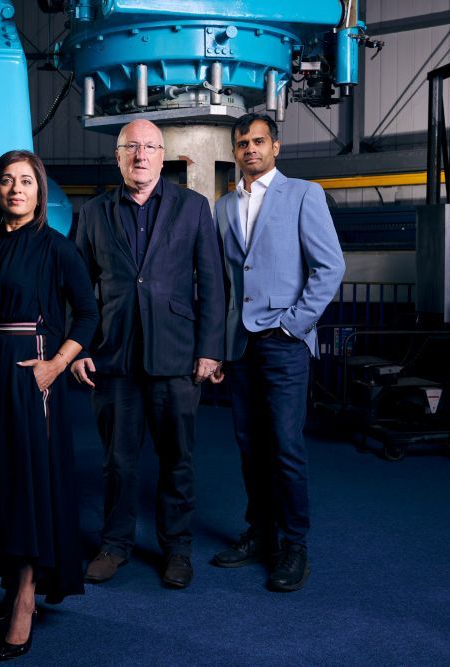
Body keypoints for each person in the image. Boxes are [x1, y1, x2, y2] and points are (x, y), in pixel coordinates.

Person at [0, 150, 98, 661]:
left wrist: (55, 366)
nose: (16, 189)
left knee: (28, 486)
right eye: (7, 181)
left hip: (29, 377)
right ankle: (11, 585)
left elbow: (87, 314)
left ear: (40, 191)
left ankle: (27, 595)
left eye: (26, 181)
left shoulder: (55, 248)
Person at [71, 119, 225, 590]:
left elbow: (214, 284)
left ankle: (176, 549)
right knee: (118, 462)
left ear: (164, 155)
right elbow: (77, 289)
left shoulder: (194, 208)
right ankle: (115, 544)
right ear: (118, 157)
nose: (141, 155)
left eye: (150, 147)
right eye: (131, 147)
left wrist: (210, 349)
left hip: (177, 357)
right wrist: (75, 350)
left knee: (177, 458)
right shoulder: (93, 212)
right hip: (113, 359)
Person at [210, 113, 345, 592]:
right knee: (250, 447)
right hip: (240, 346)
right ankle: (260, 532)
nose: (250, 149)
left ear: (276, 147)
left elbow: (330, 267)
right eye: (242, 142)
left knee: (286, 447)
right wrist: (221, 347)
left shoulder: (304, 194)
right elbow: (227, 282)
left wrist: (293, 325)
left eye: (259, 141)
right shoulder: (224, 206)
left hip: (284, 343)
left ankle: (293, 544)